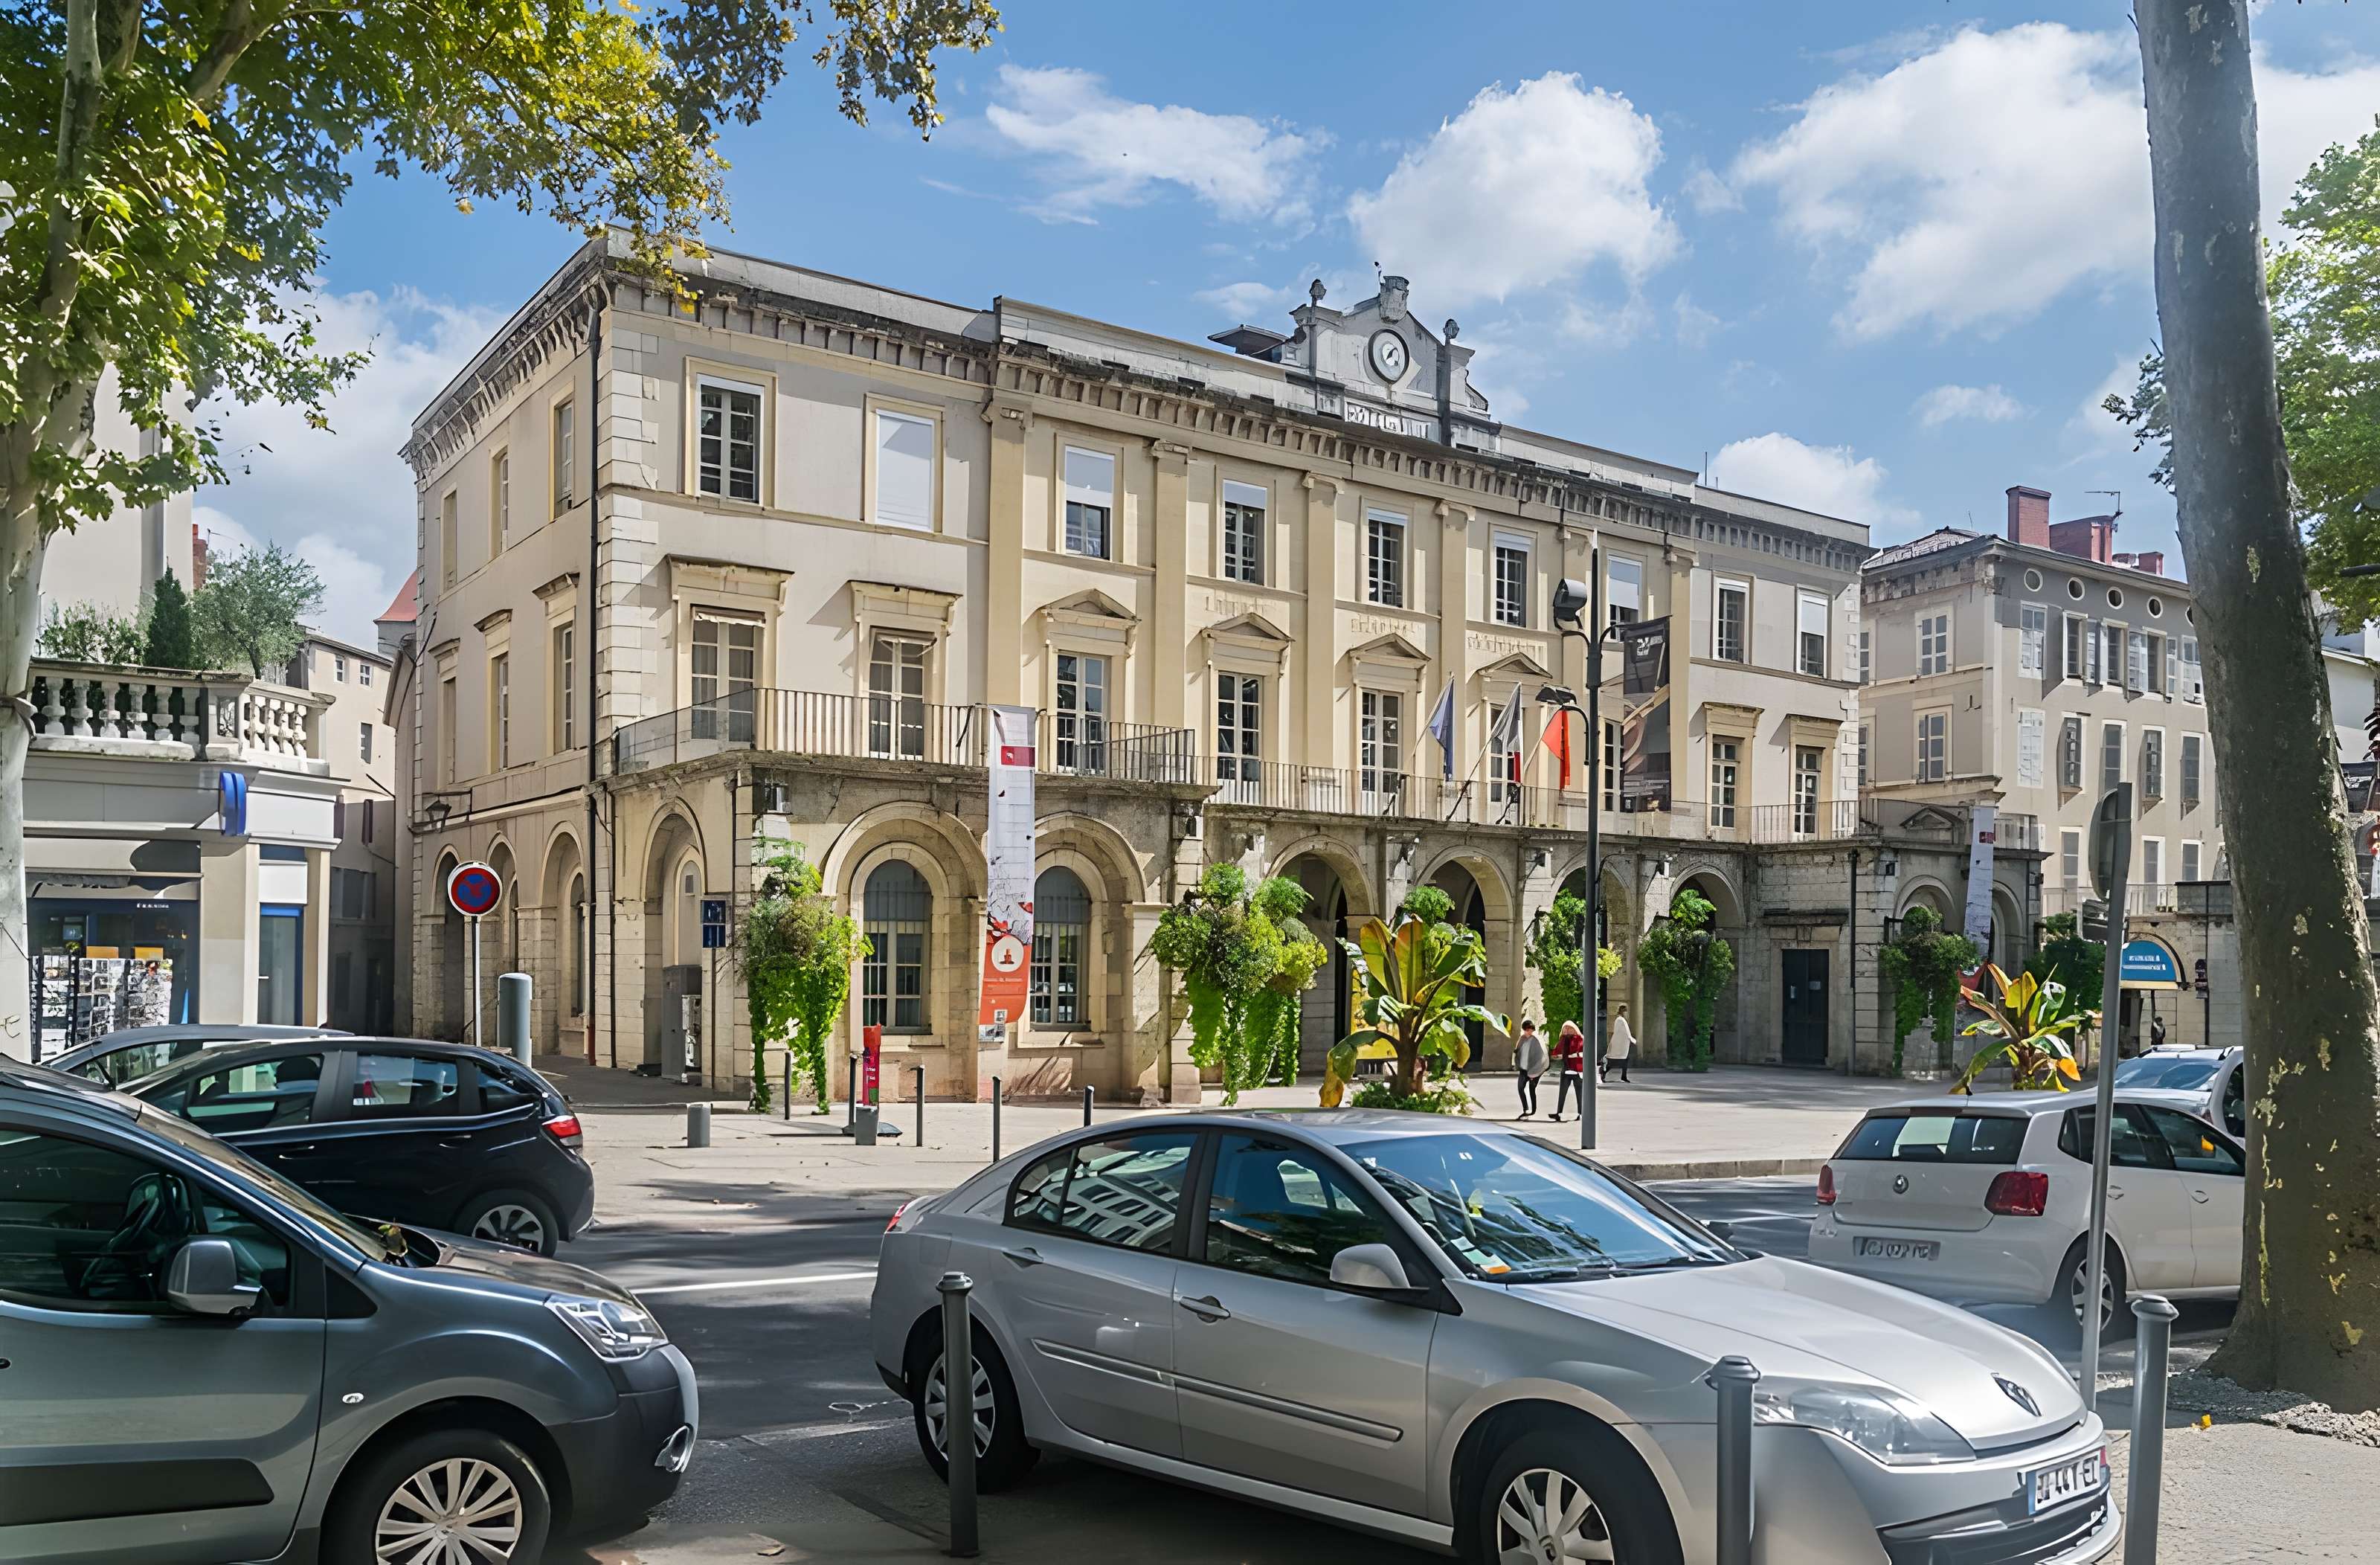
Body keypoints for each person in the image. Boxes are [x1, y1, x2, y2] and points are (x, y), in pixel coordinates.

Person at [1551, 1021, 1587, 1121]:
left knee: (1579, 1093)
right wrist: (1557, 1056)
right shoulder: (1563, 1040)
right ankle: (1559, 1112)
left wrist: (1573, 1055)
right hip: (1566, 1069)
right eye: (1565, 1028)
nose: (1567, 1030)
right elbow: (1556, 1053)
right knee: (1562, 1092)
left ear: (1575, 1029)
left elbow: (1585, 1052)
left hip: (1578, 1069)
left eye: (1569, 1028)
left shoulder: (1581, 1039)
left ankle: (1581, 1113)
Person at [1514, 1019, 1547, 1119]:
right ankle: (1526, 1109)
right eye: (1528, 1029)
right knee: (1520, 1088)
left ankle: (1533, 1111)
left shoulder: (1536, 1040)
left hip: (1535, 1069)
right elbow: (1517, 1052)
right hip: (1524, 1068)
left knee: (1532, 1089)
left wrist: (1534, 1072)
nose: (1529, 1031)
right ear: (1524, 1029)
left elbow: (1541, 1057)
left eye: (1531, 1029)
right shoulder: (1522, 1039)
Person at [1602, 1003, 1635, 1084]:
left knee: (1624, 1060)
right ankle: (1604, 1073)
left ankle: (1624, 1076)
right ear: (1622, 1011)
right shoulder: (1620, 1020)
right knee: (1615, 1061)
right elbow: (1623, 1032)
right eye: (1625, 1010)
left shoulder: (1621, 1019)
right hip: (1620, 1044)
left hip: (1622, 1044)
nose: (1626, 1012)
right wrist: (1630, 1038)